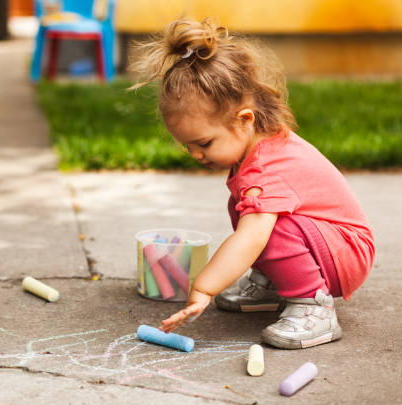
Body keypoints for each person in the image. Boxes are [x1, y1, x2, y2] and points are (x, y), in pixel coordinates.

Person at [130, 18, 375, 349]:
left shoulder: (267, 169)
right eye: (186, 145)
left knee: (265, 227)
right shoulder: (254, 149)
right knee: (245, 206)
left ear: (244, 120)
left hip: (345, 252)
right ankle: (275, 284)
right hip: (330, 245)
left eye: (203, 143)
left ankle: (313, 308)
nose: (195, 154)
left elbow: (250, 240)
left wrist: (204, 287)